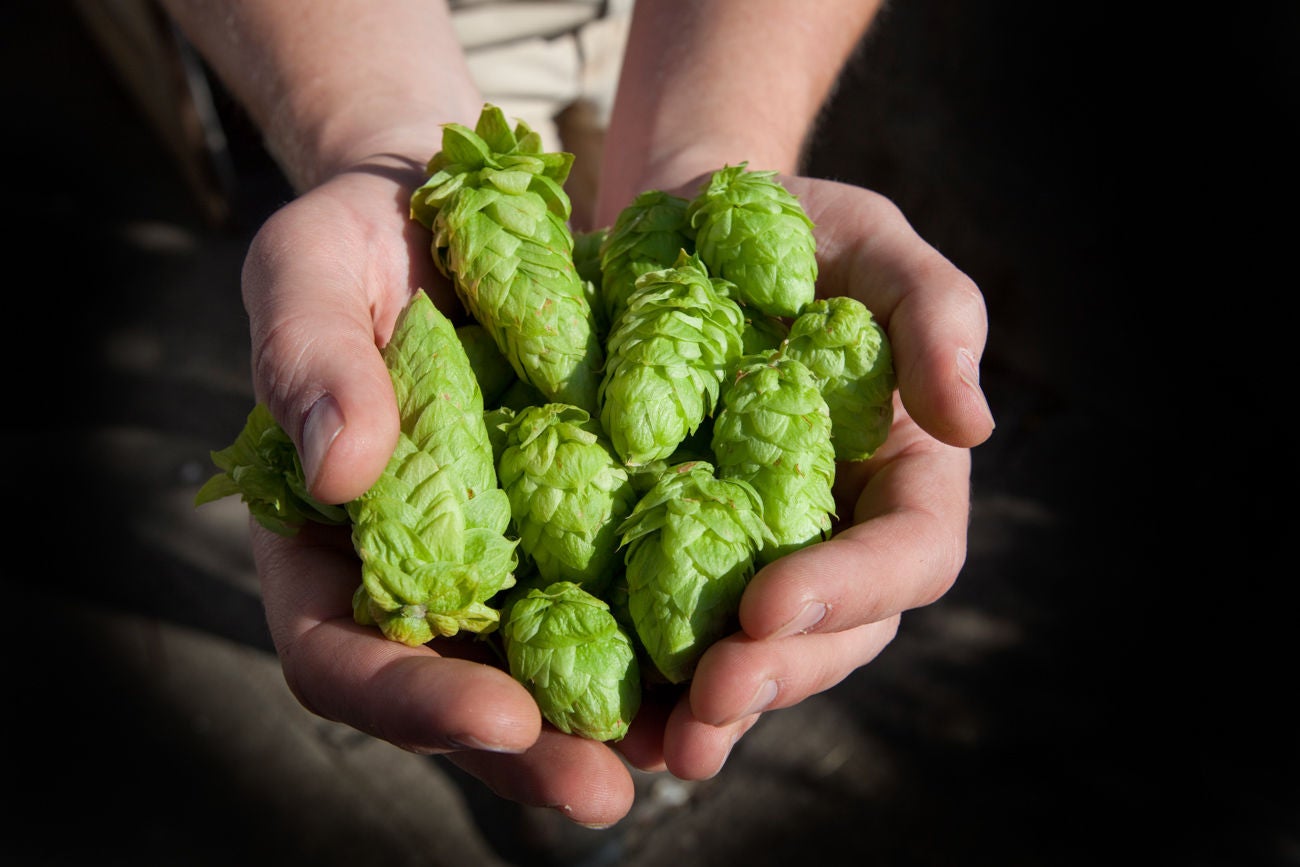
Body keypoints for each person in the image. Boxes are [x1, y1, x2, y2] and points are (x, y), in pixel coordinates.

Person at [160, 0, 995, 829]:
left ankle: (531, 782)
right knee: (469, 709)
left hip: (703, 37)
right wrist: (379, 144)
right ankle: (506, 779)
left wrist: (712, 134)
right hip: (366, 45)